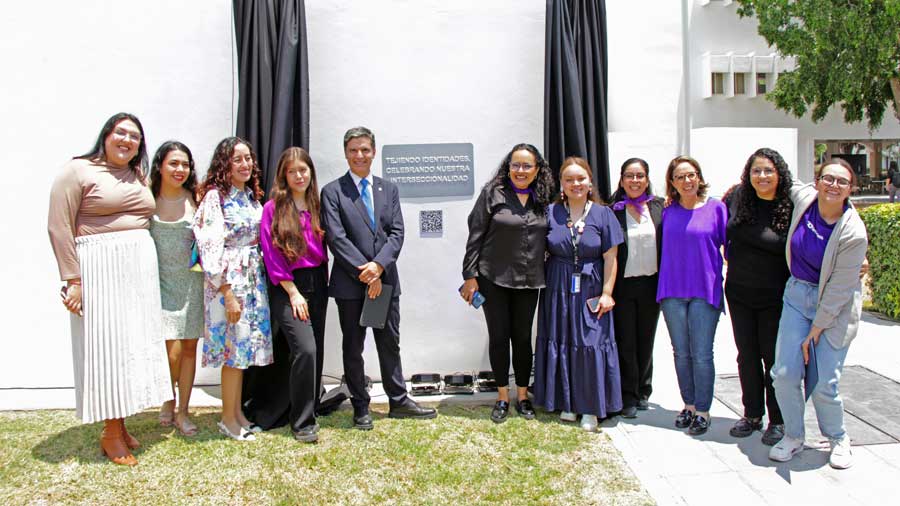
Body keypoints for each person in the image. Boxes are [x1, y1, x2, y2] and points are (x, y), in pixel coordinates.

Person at [48, 112, 171, 465]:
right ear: (106, 135)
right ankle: (110, 433)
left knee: (131, 347)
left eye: (134, 137)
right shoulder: (77, 171)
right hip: (100, 268)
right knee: (108, 350)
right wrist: (73, 280)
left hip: (137, 272)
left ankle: (121, 423)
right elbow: (58, 226)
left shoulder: (136, 175)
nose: (127, 140)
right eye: (121, 133)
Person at [320, 126, 436, 430]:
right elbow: (337, 237)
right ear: (345, 153)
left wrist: (379, 267)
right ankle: (361, 405)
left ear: (374, 152)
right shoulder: (333, 192)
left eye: (365, 150)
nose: (360, 155)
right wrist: (366, 270)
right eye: (353, 150)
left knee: (389, 343)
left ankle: (398, 401)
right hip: (350, 284)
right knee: (353, 347)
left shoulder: (389, 189)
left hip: (384, 281)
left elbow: (396, 233)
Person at [769, 158, 868, 469]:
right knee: (784, 374)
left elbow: (840, 288)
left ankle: (838, 438)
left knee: (825, 381)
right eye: (828, 178)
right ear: (817, 180)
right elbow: (778, 171)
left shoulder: (853, 232)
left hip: (835, 307)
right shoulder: (805, 198)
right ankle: (794, 436)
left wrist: (817, 329)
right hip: (797, 294)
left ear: (851, 188)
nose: (833, 185)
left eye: (841, 181)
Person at [461, 143, 555, 424]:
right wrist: (469, 275)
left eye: (527, 165)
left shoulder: (545, 198)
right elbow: (475, 233)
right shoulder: (494, 193)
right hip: (494, 278)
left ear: (538, 169)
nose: (521, 170)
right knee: (500, 338)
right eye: (516, 165)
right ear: (508, 166)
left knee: (524, 339)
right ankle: (503, 396)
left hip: (529, 280)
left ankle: (523, 396)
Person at [533, 157, 623, 432]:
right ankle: (567, 403)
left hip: (591, 286)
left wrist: (607, 293)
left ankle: (590, 408)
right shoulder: (550, 212)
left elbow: (611, 258)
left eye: (580, 178)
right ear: (561, 183)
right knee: (561, 339)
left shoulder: (603, 214)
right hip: (558, 286)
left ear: (590, 181)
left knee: (590, 342)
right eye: (569, 179)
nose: (575, 184)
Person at [193, 136, 273, 441]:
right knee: (233, 351)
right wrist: (226, 292)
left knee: (244, 351)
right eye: (237, 159)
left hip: (253, 279)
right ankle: (228, 419)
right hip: (230, 282)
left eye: (248, 158)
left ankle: (237, 413)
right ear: (224, 163)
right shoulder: (215, 197)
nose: (245, 164)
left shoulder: (251, 197)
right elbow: (209, 247)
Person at [249, 147, 328, 443]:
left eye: (303, 170)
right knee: (304, 348)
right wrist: (293, 292)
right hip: (288, 286)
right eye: (293, 170)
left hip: (318, 282)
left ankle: (309, 407)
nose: (299, 175)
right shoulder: (272, 208)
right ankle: (302, 423)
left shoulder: (317, 204)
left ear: (311, 173)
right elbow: (271, 255)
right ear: (284, 174)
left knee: (314, 350)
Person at [722, 148, 793, 446]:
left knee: (772, 359)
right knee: (746, 355)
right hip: (738, 292)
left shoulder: (792, 204)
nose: (761, 176)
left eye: (768, 171)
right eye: (756, 171)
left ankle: (777, 420)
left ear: (779, 174)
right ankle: (752, 414)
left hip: (774, 296)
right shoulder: (737, 198)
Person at [657, 156, 727, 436]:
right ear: (672, 183)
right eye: (680, 177)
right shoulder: (666, 211)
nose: (686, 181)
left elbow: (732, 247)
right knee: (681, 353)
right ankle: (687, 405)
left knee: (701, 354)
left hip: (704, 290)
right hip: (672, 291)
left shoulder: (716, 209)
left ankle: (703, 410)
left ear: (699, 177)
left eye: (691, 175)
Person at [149, 141, 204, 437]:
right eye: (174, 163)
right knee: (171, 351)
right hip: (160, 284)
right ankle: (166, 398)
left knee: (190, 348)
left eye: (185, 164)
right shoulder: (146, 199)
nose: (180, 170)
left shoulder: (196, 198)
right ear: (160, 165)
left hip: (191, 284)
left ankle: (182, 410)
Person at [609, 158, 664, 419]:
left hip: (652, 284)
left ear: (647, 178)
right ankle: (627, 395)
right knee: (626, 341)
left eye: (640, 175)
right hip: (623, 285)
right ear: (621, 180)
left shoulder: (659, 207)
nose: (635, 181)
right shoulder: (613, 211)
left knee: (646, 339)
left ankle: (644, 390)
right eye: (629, 176)